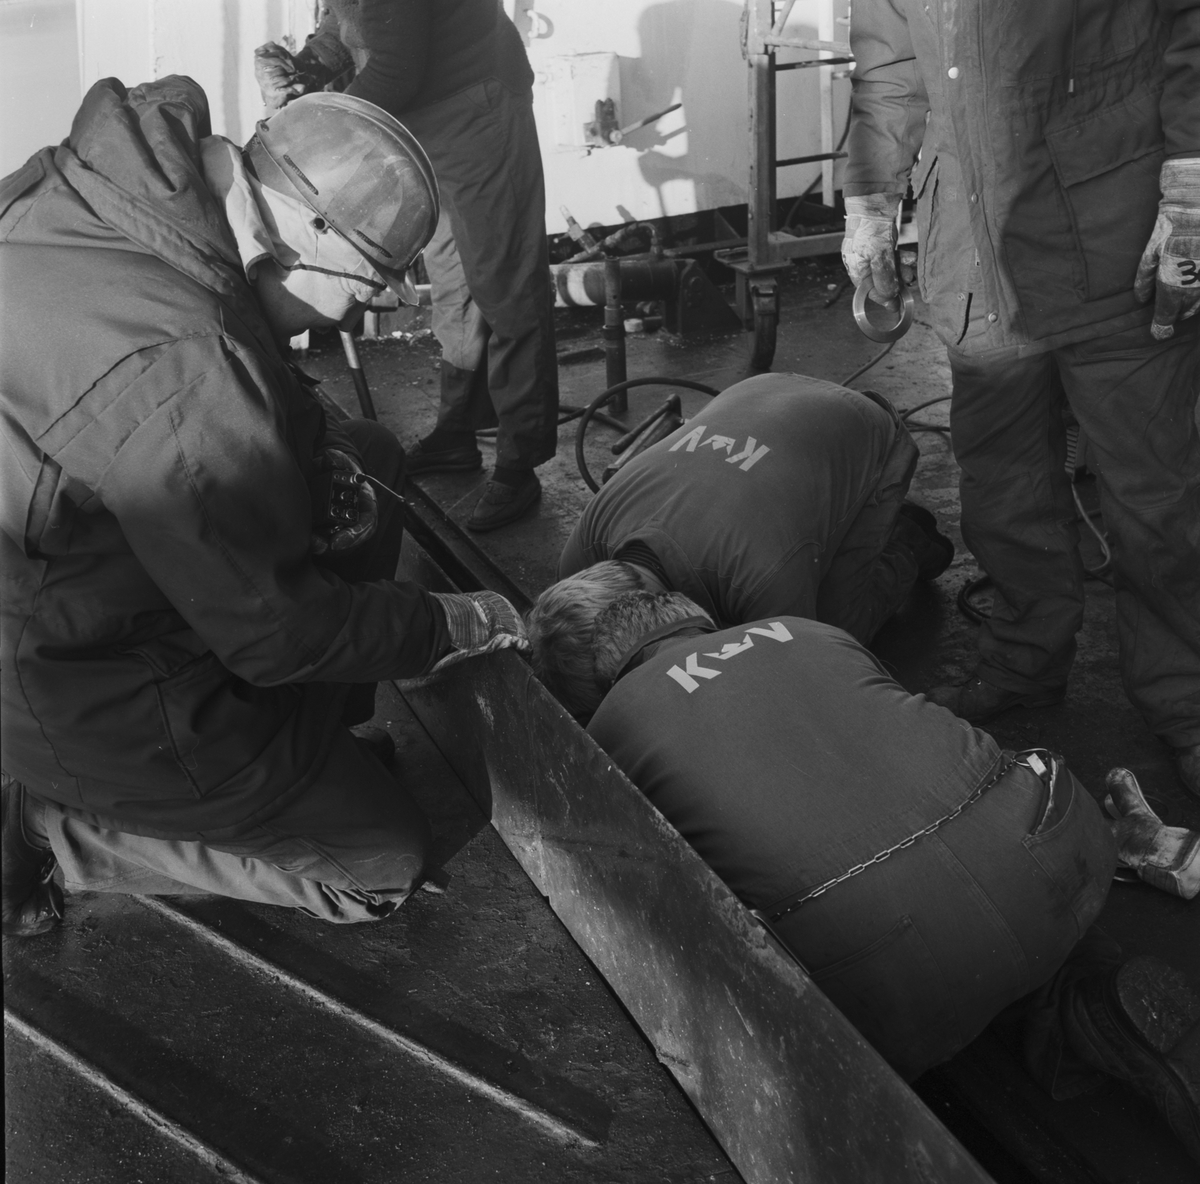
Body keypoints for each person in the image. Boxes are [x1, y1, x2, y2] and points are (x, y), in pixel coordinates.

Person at [0, 77, 527, 938]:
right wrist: (450, 623)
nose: (350, 319)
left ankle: (309, 748)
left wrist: (306, 448)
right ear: (304, 237)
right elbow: (276, 634)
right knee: (379, 861)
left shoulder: (102, 195)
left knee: (367, 458)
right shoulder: (185, 363)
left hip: (60, 584)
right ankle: (57, 827)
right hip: (81, 690)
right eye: (362, 291)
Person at [576, 589, 1200, 1160]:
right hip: (1059, 843)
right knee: (975, 855)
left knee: (811, 948)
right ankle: (1082, 994)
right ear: (702, 620)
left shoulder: (611, 722)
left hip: (881, 964)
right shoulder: (803, 628)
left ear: (610, 674)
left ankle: (875, 1119)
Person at [840, 1, 1200, 795]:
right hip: (975, 250)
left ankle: (1187, 701)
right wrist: (869, 199)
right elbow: (889, 69)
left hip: (1113, 229)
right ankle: (1023, 661)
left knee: (1156, 495)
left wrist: (1191, 188)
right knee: (1003, 482)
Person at [255, 0, 558, 532]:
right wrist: (307, 67)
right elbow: (347, 18)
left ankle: (520, 461)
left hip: (476, 103)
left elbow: (397, 70)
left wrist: (316, 120)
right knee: (453, 281)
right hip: (423, 118)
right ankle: (456, 433)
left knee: (506, 282)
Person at [527, 372, 953, 716]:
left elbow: (799, 681)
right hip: (764, 392)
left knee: (837, 630)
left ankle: (903, 542)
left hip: (869, 433)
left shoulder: (761, 579)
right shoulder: (580, 555)